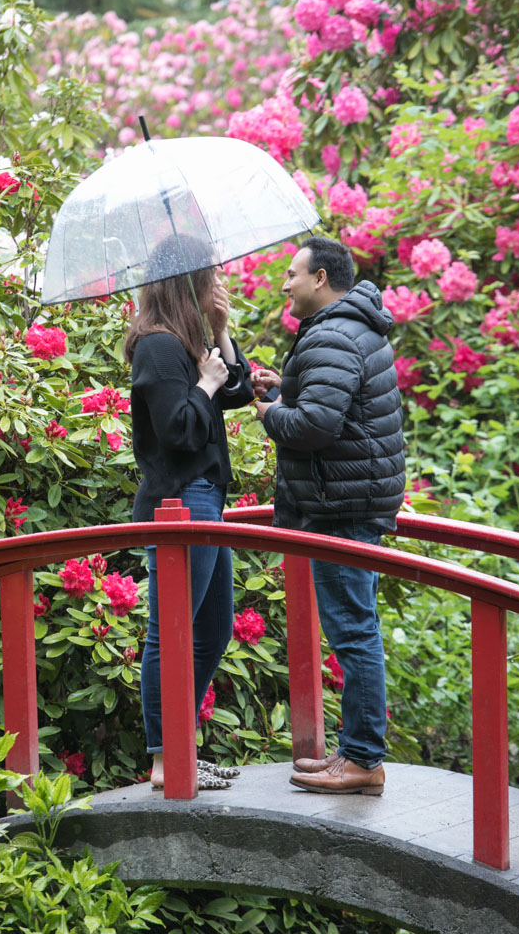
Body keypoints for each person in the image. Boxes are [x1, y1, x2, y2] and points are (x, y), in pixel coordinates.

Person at [253, 235, 405, 796]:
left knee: (354, 632)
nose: (285, 283)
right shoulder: (349, 327)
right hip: (354, 498)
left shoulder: (332, 336)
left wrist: (270, 410)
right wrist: (286, 383)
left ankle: (363, 759)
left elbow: (316, 426)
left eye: (292, 273)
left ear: (320, 279)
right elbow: (333, 400)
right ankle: (356, 752)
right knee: (354, 627)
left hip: (341, 506)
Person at [124, 235, 253, 791]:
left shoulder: (187, 339)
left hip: (204, 497)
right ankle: (165, 756)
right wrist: (204, 382)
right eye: (212, 273)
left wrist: (221, 332)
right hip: (179, 499)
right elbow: (178, 429)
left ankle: (181, 745)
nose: (220, 280)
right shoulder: (157, 346)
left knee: (213, 627)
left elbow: (240, 391)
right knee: (169, 631)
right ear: (187, 280)